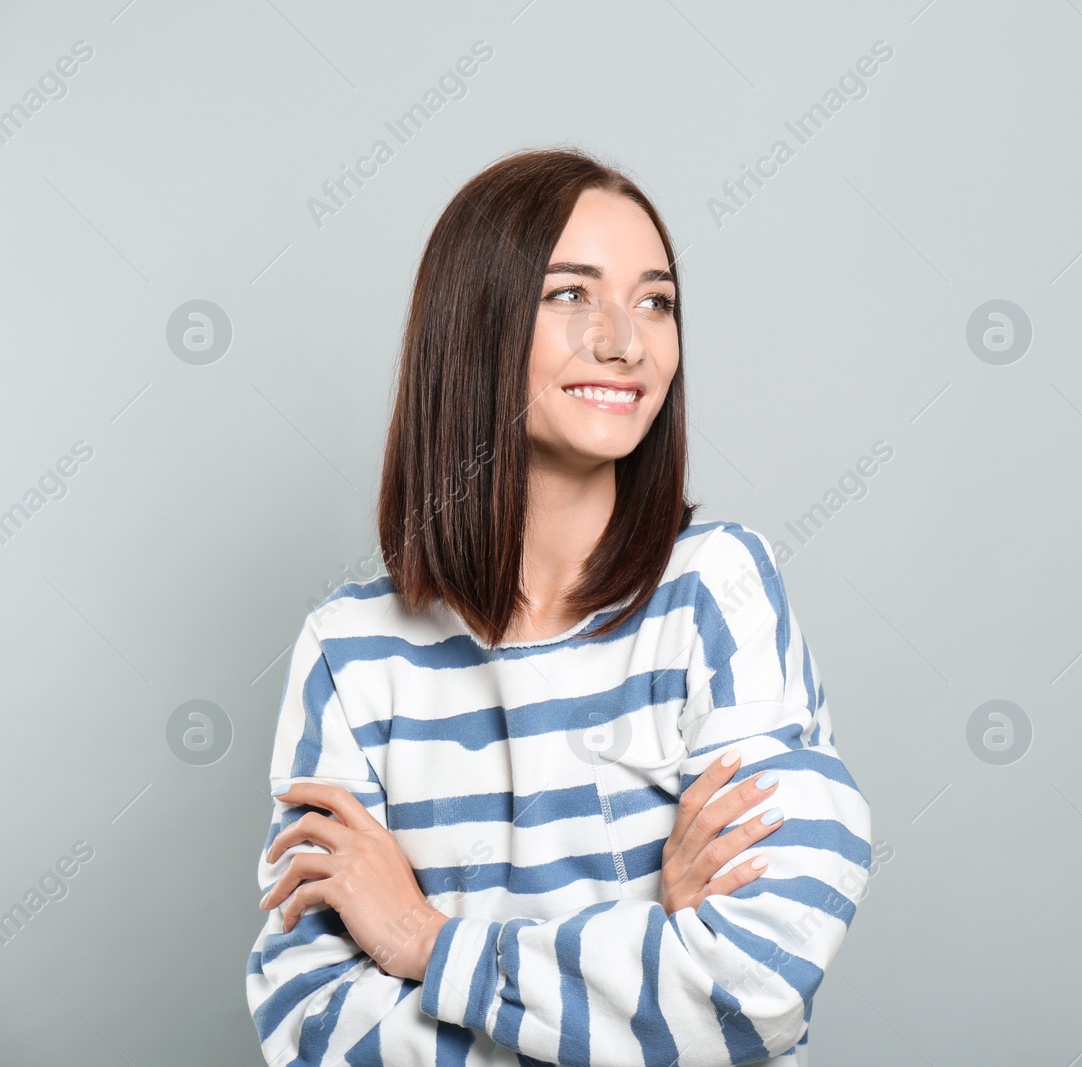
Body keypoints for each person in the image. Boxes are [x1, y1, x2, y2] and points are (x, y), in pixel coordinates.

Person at [244, 147, 873, 1066]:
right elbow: (315, 1028)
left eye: (656, 300)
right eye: (571, 294)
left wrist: (425, 942)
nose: (627, 340)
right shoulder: (350, 652)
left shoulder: (718, 588)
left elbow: (753, 983)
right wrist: (649, 935)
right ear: (477, 325)